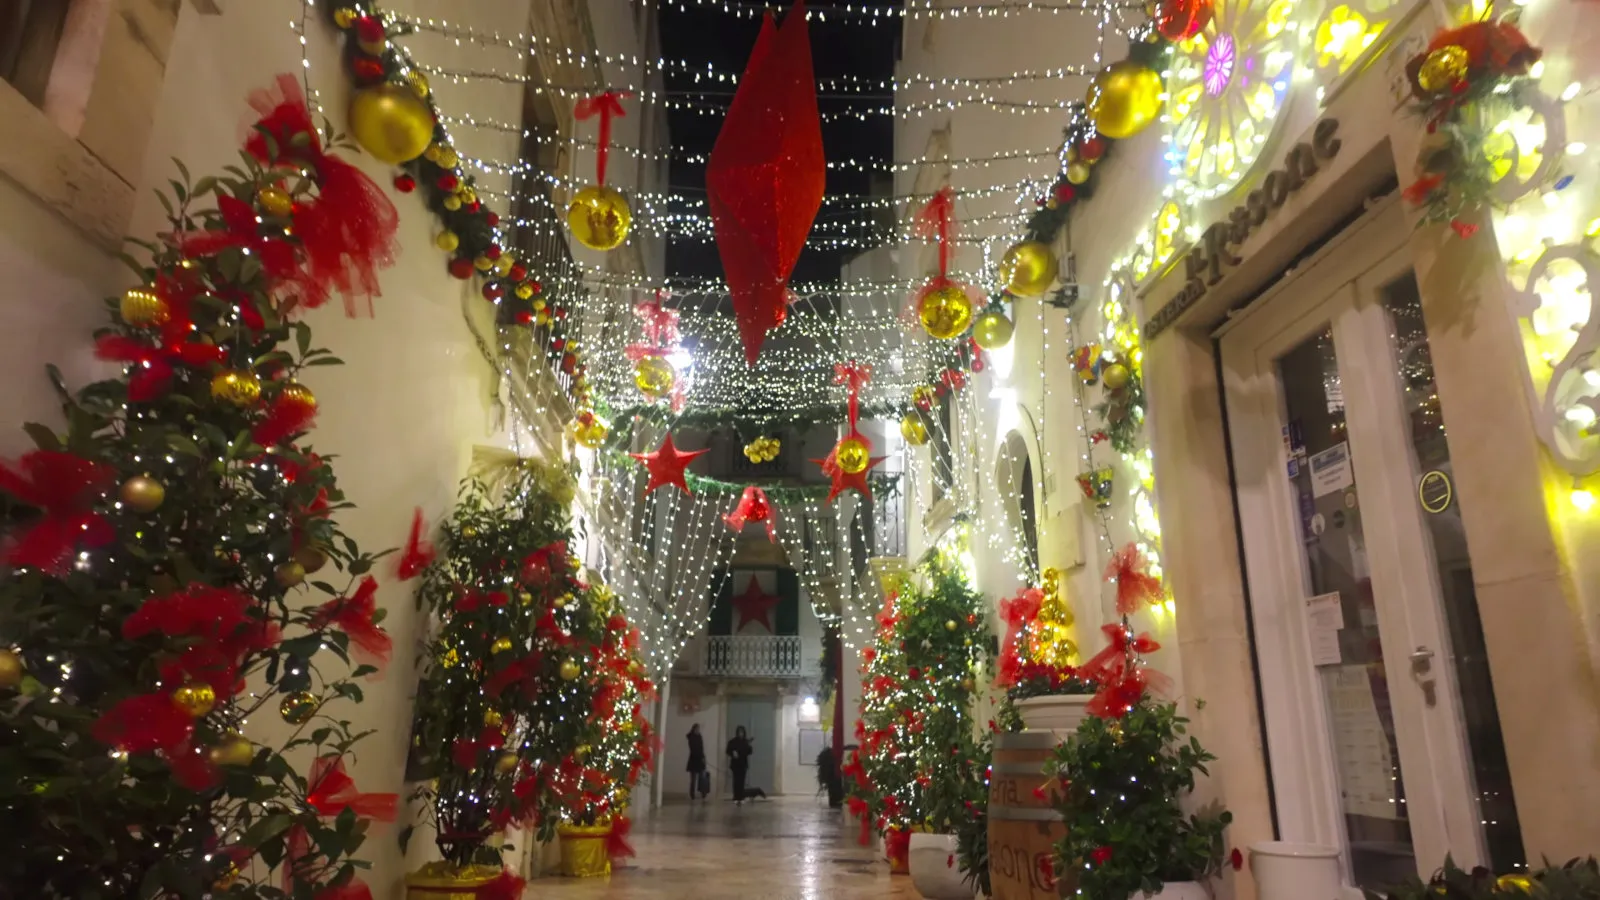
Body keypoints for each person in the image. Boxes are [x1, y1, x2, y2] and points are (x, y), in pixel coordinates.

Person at [726, 726, 754, 804]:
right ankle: (736, 796)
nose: (741, 734)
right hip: (735, 764)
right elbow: (728, 750)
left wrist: (749, 745)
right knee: (736, 781)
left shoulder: (745, 742)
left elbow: (750, 751)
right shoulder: (733, 741)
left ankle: (741, 796)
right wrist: (733, 753)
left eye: (742, 732)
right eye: (739, 732)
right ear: (737, 733)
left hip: (743, 764)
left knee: (742, 781)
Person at [686, 724, 707, 800]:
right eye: (697, 729)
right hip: (694, 760)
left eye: (699, 729)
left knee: (703, 777)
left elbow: (701, 748)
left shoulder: (699, 737)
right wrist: (700, 757)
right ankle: (692, 794)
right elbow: (693, 749)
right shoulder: (691, 738)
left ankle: (703, 793)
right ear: (694, 729)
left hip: (700, 760)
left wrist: (703, 757)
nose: (698, 730)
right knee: (693, 779)